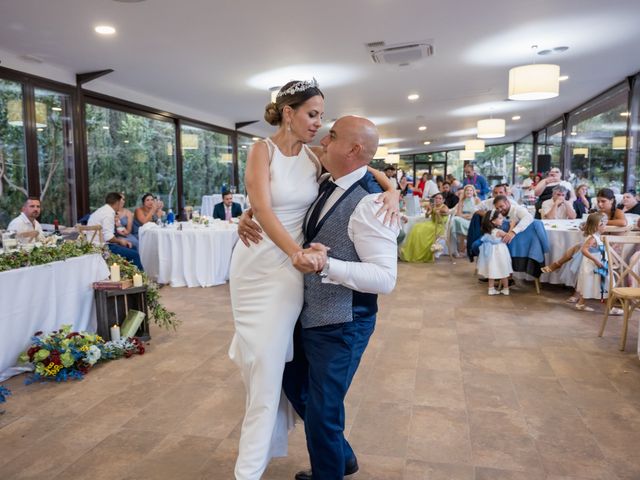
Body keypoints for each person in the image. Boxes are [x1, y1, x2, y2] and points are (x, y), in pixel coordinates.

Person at [228, 79, 398, 480]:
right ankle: (331, 458)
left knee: (285, 376)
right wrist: (251, 218)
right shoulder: (262, 149)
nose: (321, 126)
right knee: (277, 371)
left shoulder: (313, 159)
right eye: (314, 115)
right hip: (262, 267)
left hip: (304, 282)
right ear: (288, 112)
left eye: (324, 119)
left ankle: (274, 469)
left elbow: (363, 166)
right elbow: (263, 206)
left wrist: (390, 189)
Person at [281, 115, 399, 480]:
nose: (322, 140)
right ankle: (342, 457)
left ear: (353, 149)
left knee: (323, 410)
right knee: (293, 385)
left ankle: (329, 473)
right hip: (307, 314)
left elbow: (385, 278)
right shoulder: (324, 180)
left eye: (330, 135)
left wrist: (326, 265)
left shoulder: (371, 205)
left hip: (344, 323)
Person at [88, 192, 143, 270]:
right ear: (117, 202)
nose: (121, 205)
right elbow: (108, 237)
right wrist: (120, 241)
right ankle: (141, 280)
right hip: (102, 247)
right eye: (121, 202)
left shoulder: (101, 210)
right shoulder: (109, 213)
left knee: (132, 247)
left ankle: (130, 276)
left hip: (94, 244)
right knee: (135, 255)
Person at [400, 192, 449, 262]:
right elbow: (427, 216)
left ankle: (422, 254)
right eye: (436, 198)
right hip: (432, 224)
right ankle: (413, 252)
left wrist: (435, 209)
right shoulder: (433, 206)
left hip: (438, 227)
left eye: (440, 198)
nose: (438, 200)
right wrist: (429, 211)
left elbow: (445, 211)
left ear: (443, 200)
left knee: (420, 231)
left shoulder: (444, 206)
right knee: (416, 227)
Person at [575, 212, 609, 311]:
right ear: (597, 226)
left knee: (591, 282)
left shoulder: (596, 236)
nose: (605, 226)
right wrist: (596, 260)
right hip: (592, 264)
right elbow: (584, 250)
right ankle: (608, 307)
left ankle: (581, 303)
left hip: (597, 263)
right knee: (597, 282)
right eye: (603, 224)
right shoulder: (593, 238)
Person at [477, 209, 513, 295]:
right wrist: (512, 226)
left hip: (490, 253)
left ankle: (491, 289)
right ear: (493, 220)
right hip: (499, 252)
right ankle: (506, 289)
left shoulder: (487, 231)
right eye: (500, 218)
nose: (502, 220)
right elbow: (509, 236)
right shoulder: (499, 231)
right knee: (503, 270)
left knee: (491, 269)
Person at [450, 184, 482, 256]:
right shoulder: (462, 200)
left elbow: (480, 211)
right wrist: (465, 216)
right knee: (455, 219)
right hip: (463, 218)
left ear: (473, 192)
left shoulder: (477, 200)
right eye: (467, 190)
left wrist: (471, 216)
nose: (469, 192)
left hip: (473, 219)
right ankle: (461, 248)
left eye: (471, 190)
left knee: (459, 222)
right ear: (464, 192)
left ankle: (465, 248)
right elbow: (458, 214)